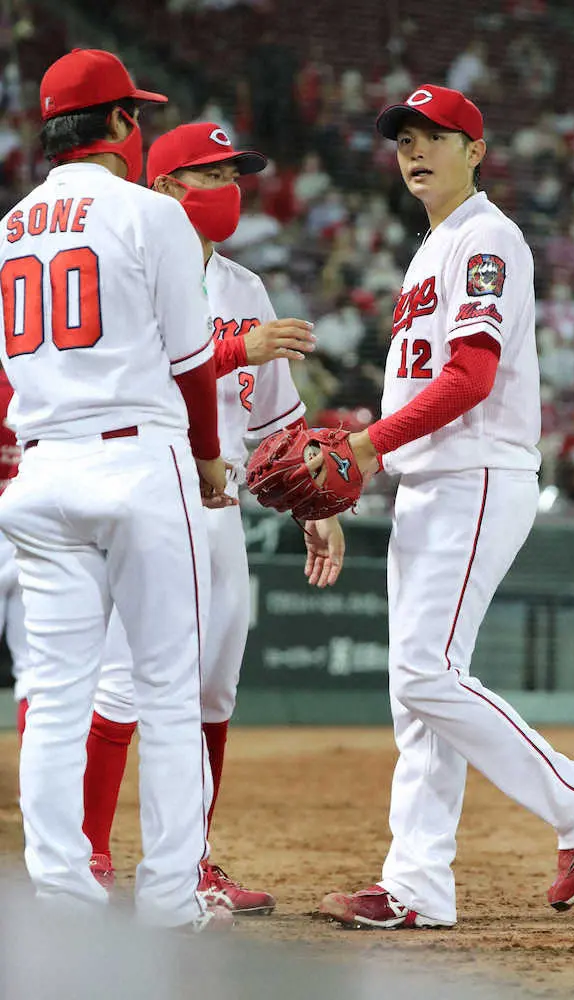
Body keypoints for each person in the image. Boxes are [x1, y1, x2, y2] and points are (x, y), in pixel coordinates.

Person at [316, 85, 574, 928]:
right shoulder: (432, 248)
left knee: (426, 673)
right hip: (431, 481)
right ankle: (417, 887)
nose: (414, 152)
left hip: (479, 474)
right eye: (403, 140)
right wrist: (377, 458)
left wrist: (369, 442)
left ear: (477, 149)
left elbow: (472, 378)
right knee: (414, 690)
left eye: (435, 137)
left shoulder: (489, 238)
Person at [80, 121, 341, 912]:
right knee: (126, 679)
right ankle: (91, 854)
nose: (227, 188)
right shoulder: (123, 263)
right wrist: (238, 346)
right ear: (163, 188)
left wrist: (312, 505)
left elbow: (274, 429)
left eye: (234, 173)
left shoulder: (243, 286)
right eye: (208, 174)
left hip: (220, 504)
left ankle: (192, 860)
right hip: (146, 486)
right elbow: (146, 360)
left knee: (213, 691)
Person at [0, 49, 232, 930]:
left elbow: (3, 381)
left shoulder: (9, 228)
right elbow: (193, 362)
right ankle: (171, 901)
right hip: (139, 461)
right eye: (135, 116)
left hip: (42, 469)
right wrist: (210, 461)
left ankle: (61, 897)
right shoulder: (150, 214)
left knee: (55, 698)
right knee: (169, 689)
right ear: (123, 127)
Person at [0, 367, 29, 728]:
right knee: (36, 674)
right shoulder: (44, 377)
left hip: (24, 528)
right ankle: (34, 785)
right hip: (31, 526)